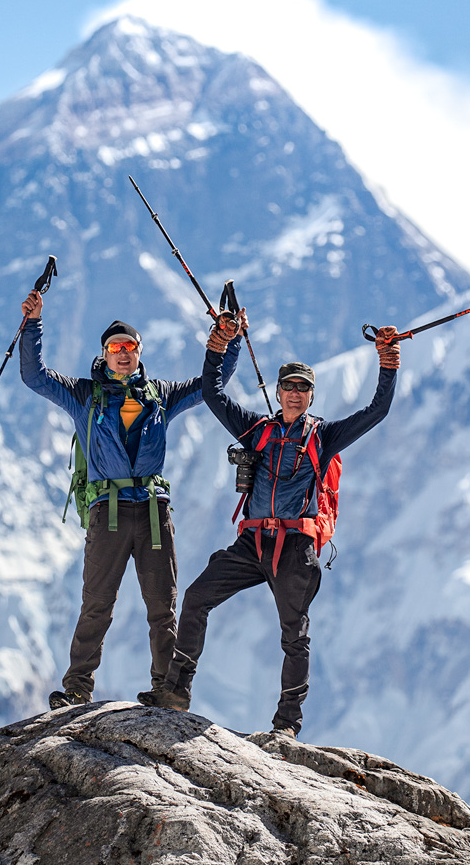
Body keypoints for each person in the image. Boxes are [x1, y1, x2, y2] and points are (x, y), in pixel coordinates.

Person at [139, 312, 401, 737]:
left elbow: (377, 411)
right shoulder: (256, 430)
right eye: (289, 387)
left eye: (303, 388)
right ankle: (176, 690)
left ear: (312, 396)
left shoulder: (324, 436)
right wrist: (218, 344)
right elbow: (212, 391)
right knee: (197, 596)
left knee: (294, 636)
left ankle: (286, 726)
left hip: (296, 547)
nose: (295, 394)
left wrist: (388, 363)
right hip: (253, 542)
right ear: (278, 392)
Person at [19, 288, 238, 709]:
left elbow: (213, 385)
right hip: (109, 513)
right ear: (104, 353)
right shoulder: (84, 394)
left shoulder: (160, 394)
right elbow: (35, 376)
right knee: (97, 605)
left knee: (162, 606)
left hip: (153, 510)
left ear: (139, 352)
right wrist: (32, 324)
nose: (122, 353)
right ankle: (78, 689)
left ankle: (167, 691)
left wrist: (230, 343)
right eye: (115, 347)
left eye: (130, 347)